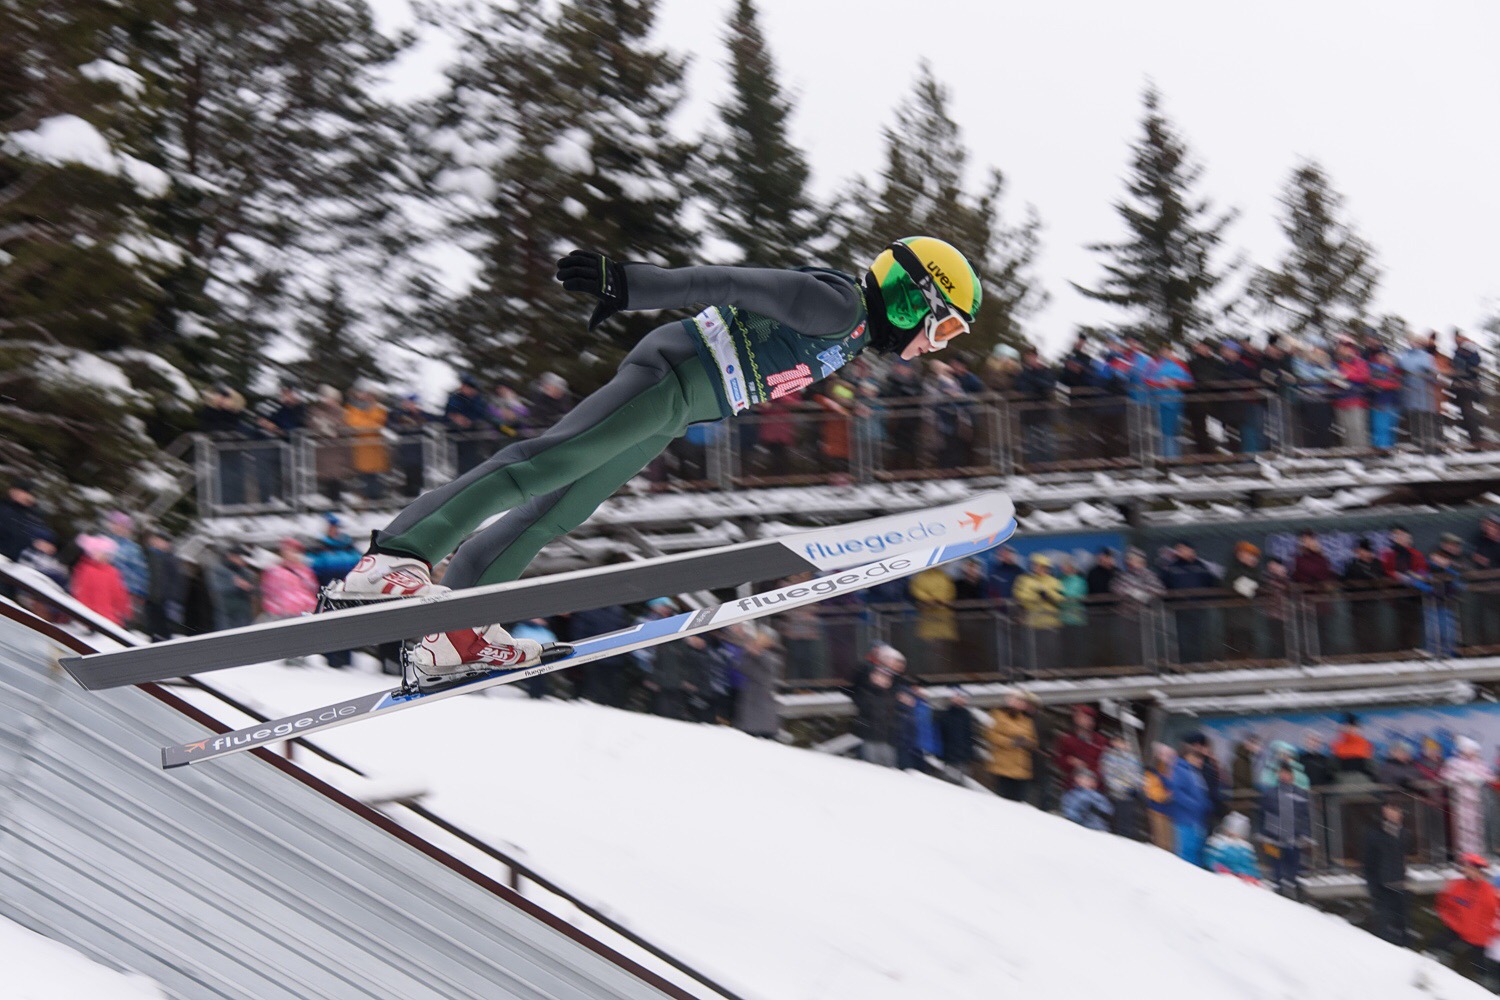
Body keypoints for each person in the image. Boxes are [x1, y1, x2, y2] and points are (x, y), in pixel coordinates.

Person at [330, 238, 984, 686]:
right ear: (914, 297)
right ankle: (395, 557)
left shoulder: (853, 339)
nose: (937, 345)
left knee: (561, 508)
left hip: (681, 406)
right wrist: (629, 284)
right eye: (944, 326)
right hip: (670, 375)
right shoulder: (837, 304)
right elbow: (731, 282)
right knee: (544, 463)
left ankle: (456, 629)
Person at [1432, 854, 1499, 981]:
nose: (1469, 871)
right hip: (1458, 931)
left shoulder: (1489, 893)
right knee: (1436, 946)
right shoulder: (1456, 886)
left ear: (1479, 871)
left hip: (1480, 939)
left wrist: (1490, 932)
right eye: (1467, 867)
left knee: (1484, 973)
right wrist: (1453, 922)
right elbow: (1443, 905)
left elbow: (1496, 915)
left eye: (1472, 868)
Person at [1259, 761, 1312, 898]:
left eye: (1287, 773)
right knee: (1276, 865)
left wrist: (1306, 834)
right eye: (1281, 772)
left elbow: (1305, 816)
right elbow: (1262, 814)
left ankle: (1293, 888)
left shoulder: (1300, 793)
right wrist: (1263, 833)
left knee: (1293, 865)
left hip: (1294, 837)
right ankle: (1279, 889)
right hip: (1274, 837)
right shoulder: (1270, 793)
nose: (1284, 775)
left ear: (1292, 775)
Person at [1363, 797, 1411, 946]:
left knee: (1402, 928)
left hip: (1400, 886)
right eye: (1389, 808)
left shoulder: (1404, 833)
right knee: (1383, 928)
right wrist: (1373, 888)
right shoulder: (1374, 834)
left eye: (1396, 809)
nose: (1392, 813)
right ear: (1384, 810)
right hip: (1382, 887)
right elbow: (1368, 864)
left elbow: (1403, 857)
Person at [1443, 736, 1493, 858]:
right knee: (1463, 829)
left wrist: (1479, 779)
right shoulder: (1454, 763)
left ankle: (1478, 856)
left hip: (1478, 802)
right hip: (1461, 802)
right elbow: (1446, 777)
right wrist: (1463, 778)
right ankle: (1465, 857)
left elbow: (1489, 777)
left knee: (1477, 829)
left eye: (1475, 751)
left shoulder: (1480, 763)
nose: (1474, 753)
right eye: (1472, 750)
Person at [1013, 554, 1064, 671]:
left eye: (1043, 567)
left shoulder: (1054, 582)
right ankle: (1034, 674)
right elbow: (1021, 597)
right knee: (1032, 652)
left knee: (1051, 651)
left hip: (1051, 623)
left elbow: (1060, 599)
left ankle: (1052, 674)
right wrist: (1037, 597)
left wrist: (1045, 594)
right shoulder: (1025, 580)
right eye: (1037, 566)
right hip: (1032, 624)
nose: (1040, 569)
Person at [1169, 740, 1215, 867]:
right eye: (1197, 758)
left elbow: (1201, 794)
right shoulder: (1180, 770)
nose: (1200, 761)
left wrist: (1206, 804)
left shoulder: (1195, 772)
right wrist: (1194, 805)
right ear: (1188, 757)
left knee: (1196, 852)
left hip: (1198, 820)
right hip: (1185, 819)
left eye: (1201, 758)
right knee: (1186, 852)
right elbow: (1177, 793)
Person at [731, 625, 782, 739]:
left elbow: (771, 667)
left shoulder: (773, 655)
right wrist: (748, 651)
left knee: (764, 735)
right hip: (750, 701)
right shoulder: (750, 655)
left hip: (763, 703)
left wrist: (758, 653)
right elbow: (740, 667)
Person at [984, 693, 1038, 801]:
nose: (1019, 704)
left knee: (1019, 801)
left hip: (1021, 769)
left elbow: (1034, 741)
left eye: (1022, 702)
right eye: (1017, 701)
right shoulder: (997, 715)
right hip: (1003, 767)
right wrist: (1010, 742)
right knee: (1004, 800)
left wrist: (1027, 743)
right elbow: (990, 735)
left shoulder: (1026, 720)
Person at [70, 534, 131, 626]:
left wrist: (123, 612)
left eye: (107, 554)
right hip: (87, 615)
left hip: (108, 618)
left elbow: (119, 594)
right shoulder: (85, 569)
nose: (104, 556)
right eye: (100, 552)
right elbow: (81, 593)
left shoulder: (113, 572)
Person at [908, 565, 958, 674]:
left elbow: (950, 591)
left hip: (944, 618)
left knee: (945, 649)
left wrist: (937, 600)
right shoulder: (920, 577)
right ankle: (929, 674)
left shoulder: (944, 576)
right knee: (928, 649)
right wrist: (930, 600)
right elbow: (916, 590)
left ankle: (946, 674)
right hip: (927, 619)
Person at [101, 511, 148, 626]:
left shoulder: (133, 549)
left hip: (122, 591)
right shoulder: (102, 541)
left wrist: (136, 593)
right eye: (117, 524)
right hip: (100, 587)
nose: (119, 528)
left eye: (123, 526)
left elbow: (140, 573)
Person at [259, 539, 318, 621]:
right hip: (285, 616)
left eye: (295, 551)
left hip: (305, 613)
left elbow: (313, 589)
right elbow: (269, 593)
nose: (292, 554)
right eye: (288, 550)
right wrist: (276, 611)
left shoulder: (306, 571)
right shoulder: (274, 571)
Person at [1100, 733, 1145, 840]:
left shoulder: (1132, 758)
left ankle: (1127, 837)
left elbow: (1138, 774)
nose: (1123, 745)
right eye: (1120, 742)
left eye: (1125, 743)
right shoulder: (1110, 756)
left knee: (1128, 818)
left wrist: (1137, 786)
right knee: (1116, 818)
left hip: (1130, 794)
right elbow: (1109, 775)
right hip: (1117, 794)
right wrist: (1121, 788)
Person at [142, 530, 185, 641]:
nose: (158, 543)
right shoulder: (150, 556)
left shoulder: (171, 559)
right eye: (156, 540)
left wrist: (172, 598)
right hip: (152, 599)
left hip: (165, 601)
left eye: (161, 541)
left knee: (164, 631)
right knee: (153, 630)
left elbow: (177, 582)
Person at [0, 479, 54, 564]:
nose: (27, 496)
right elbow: (9, 532)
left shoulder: (34, 516)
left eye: (28, 493)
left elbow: (47, 535)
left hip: (18, 564)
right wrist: (32, 542)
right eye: (24, 492)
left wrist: (47, 544)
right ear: (12, 491)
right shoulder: (3, 508)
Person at [208, 545, 258, 632]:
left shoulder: (245, 572)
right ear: (231, 556)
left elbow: (254, 590)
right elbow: (217, 587)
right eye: (239, 557)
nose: (242, 561)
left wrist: (249, 587)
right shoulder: (219, 570)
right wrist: (235, 584)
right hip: (226, 614)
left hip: (244, 614)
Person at [1451, 330, 1485, 448]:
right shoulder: (1459, 351)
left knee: (1467, 411)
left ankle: (1476, 438)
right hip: (1461, 386)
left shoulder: (1467, 349)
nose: (1457, 340)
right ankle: (1473, 437)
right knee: (1465, 412)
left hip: (1467, 386)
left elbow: (1471, 365)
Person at [1205, 812, 1261, 882]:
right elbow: (1210, 859)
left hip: (1240, 881)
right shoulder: (1217, 843)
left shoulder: (1246, 849)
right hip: (1220, 878)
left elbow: (1250, 867)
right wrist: (1218, 868)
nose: (1235, 833)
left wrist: (1249, 875)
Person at [937, 690, 977, 780]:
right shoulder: (946, 714)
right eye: (956, 697)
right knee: (950, 781)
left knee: (963, 781)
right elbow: (942, 734)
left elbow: (970, 735)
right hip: (949, 755)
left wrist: (969, 753)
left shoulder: (967, 715)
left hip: (963, 756)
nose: (959, 700)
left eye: (961, 698)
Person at [1144, 744, 1177, 851]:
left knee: (1169, 845)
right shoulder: (1152, 771)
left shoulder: (1171, 771)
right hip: (1156, 810)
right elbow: (1151, 791)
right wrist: (1165, 796)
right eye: (1166, 755)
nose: (1169, 759)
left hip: (1169, 811)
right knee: (1160, 843)